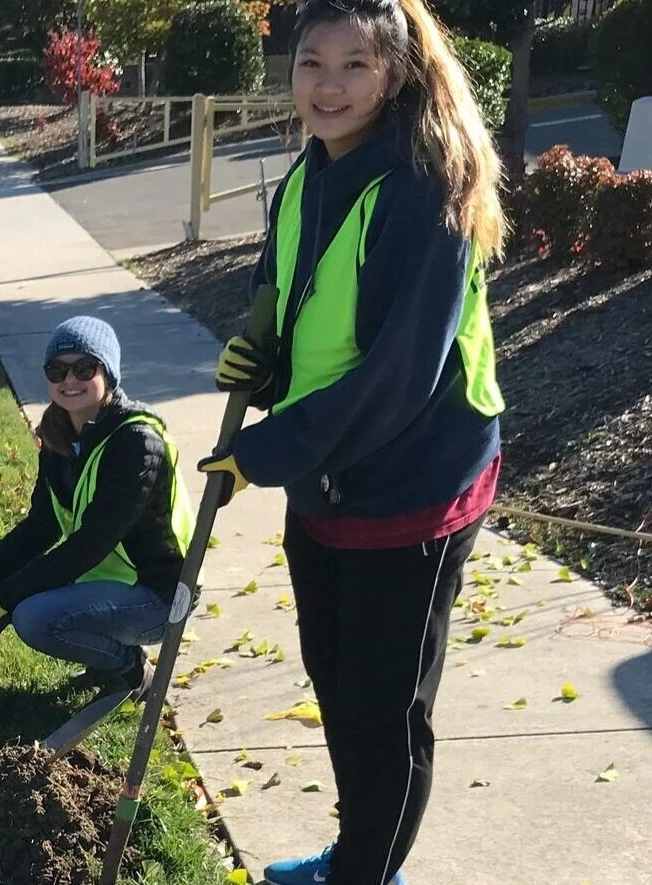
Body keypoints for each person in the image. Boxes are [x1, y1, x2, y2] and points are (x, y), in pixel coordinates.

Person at [195, 1, 508, 882]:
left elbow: (399, 375)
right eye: (311, 63)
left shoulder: (423, 192)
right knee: (337, 684)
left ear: (397, 74)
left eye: (354, 66)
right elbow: (289, 283)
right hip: (329, 477)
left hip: (414, 483)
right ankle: (363, 851)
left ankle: (364, 872)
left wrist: (265, 453)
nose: (327, 86)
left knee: (384, 710)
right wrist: (260, 347)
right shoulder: (308, 174)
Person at [0, 317, 194, 697]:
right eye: (57, 370)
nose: (69, 381)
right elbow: (41, 527)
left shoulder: (137, 444)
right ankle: (107, 656)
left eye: (84, 368)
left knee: (33, 617)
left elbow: (89, 545)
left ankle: (130, 669)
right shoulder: (60, 435)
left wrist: (4, 600)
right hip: (110, 580)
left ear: (108, 373)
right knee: (24, 594)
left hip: (160, 594)